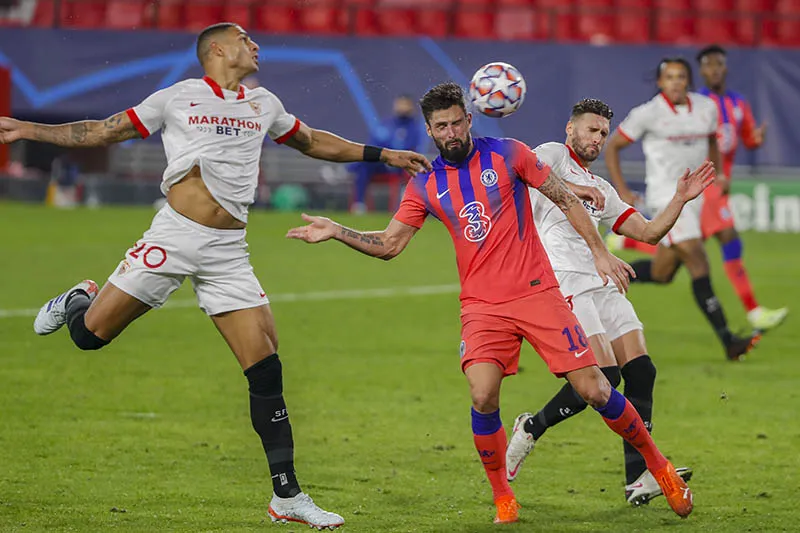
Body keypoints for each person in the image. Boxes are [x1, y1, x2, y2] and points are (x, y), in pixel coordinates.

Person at [0, 22, 430, 530]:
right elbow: (101, 130)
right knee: (89, 337)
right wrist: (29, 129)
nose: (256, 45)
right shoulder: (176, 97)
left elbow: (313, 141)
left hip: (229, 251)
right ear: (219, 50)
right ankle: (78, 300)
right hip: (173, 236)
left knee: (266, 367)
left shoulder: (263, 103)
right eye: (246, 39)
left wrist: (384, 155)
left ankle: (286, 498)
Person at [286, 82, 693, 524]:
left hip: (539, 292)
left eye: (458, 122)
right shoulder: (425, 184)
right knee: (482, 396)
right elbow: (388, 244)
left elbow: (565, 199)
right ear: (430, 129)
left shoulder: (509, 153)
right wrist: (337, 231)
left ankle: (659, 467)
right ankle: (503, 496)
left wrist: (598, 251)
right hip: (482, 306)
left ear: (470, 118)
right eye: (442, 126)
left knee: (596, 387)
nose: (452, 132)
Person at [505, 98, 713, 506]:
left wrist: (679, 200)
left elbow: (649, 234)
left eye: (603, 133)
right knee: (603, 377)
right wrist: (575, 187)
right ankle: (531, 427)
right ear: (570, 129)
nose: (597, 139)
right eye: (591, 130)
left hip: (603, 280)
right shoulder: (551, 155)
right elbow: (525, 172)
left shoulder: (601, 189)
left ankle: (638, 479)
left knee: (642, 371)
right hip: (565, 280)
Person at [608, 46, 787, 333]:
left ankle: (604, 270)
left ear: (688, 80)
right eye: (670, 77)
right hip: (666, 198)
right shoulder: (647, 113)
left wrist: (717, 172)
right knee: (700, 261)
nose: (676, 82)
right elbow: (614, 146)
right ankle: (731, 339)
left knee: (662, 272)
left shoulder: (707, 109)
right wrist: (623, 190)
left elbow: (713, 141)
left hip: (697, 197)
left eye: (681, 76)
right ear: (660, 82)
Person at [350, 94, 422, 213]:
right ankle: (359, 205)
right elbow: (373, 143)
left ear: (411, 107)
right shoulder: (386, 123)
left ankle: (345, 171)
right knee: (364, 165)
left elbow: (409, 149)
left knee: (363, 164)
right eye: (399, 104)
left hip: (399, 165)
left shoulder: (414, 127)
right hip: (381, 163)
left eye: (405, 104)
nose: (401, 107)